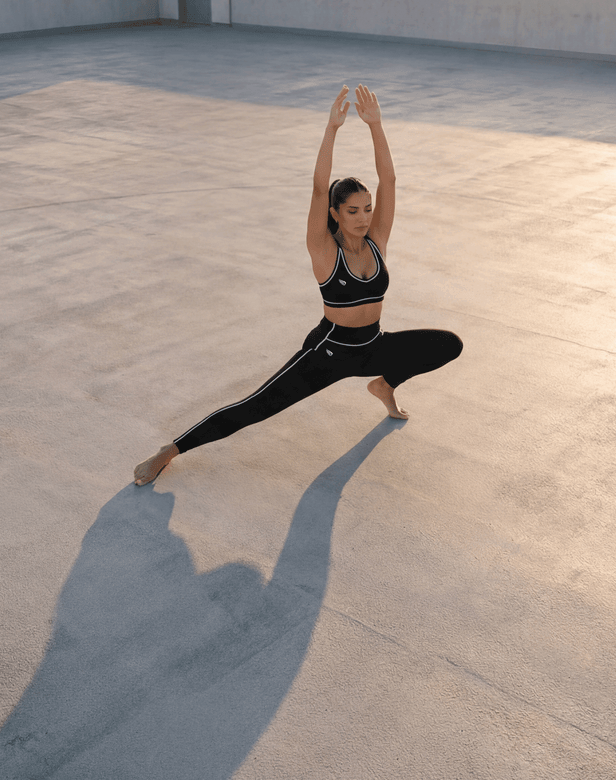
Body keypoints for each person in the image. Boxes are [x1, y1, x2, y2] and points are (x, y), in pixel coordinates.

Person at [133, 84, 463, 485]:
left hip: (373, 345)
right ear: (335, 214)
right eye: (353, 211)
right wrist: (333, 129)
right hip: (330, 353)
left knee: (447, 344)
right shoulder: (323, 250)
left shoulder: (377, 243)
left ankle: (383, 384)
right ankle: (170, 450)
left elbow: (389, 180)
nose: (363, 217)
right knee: (257, 405)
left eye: (368, 209)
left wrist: (376, 126)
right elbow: (318, 186)